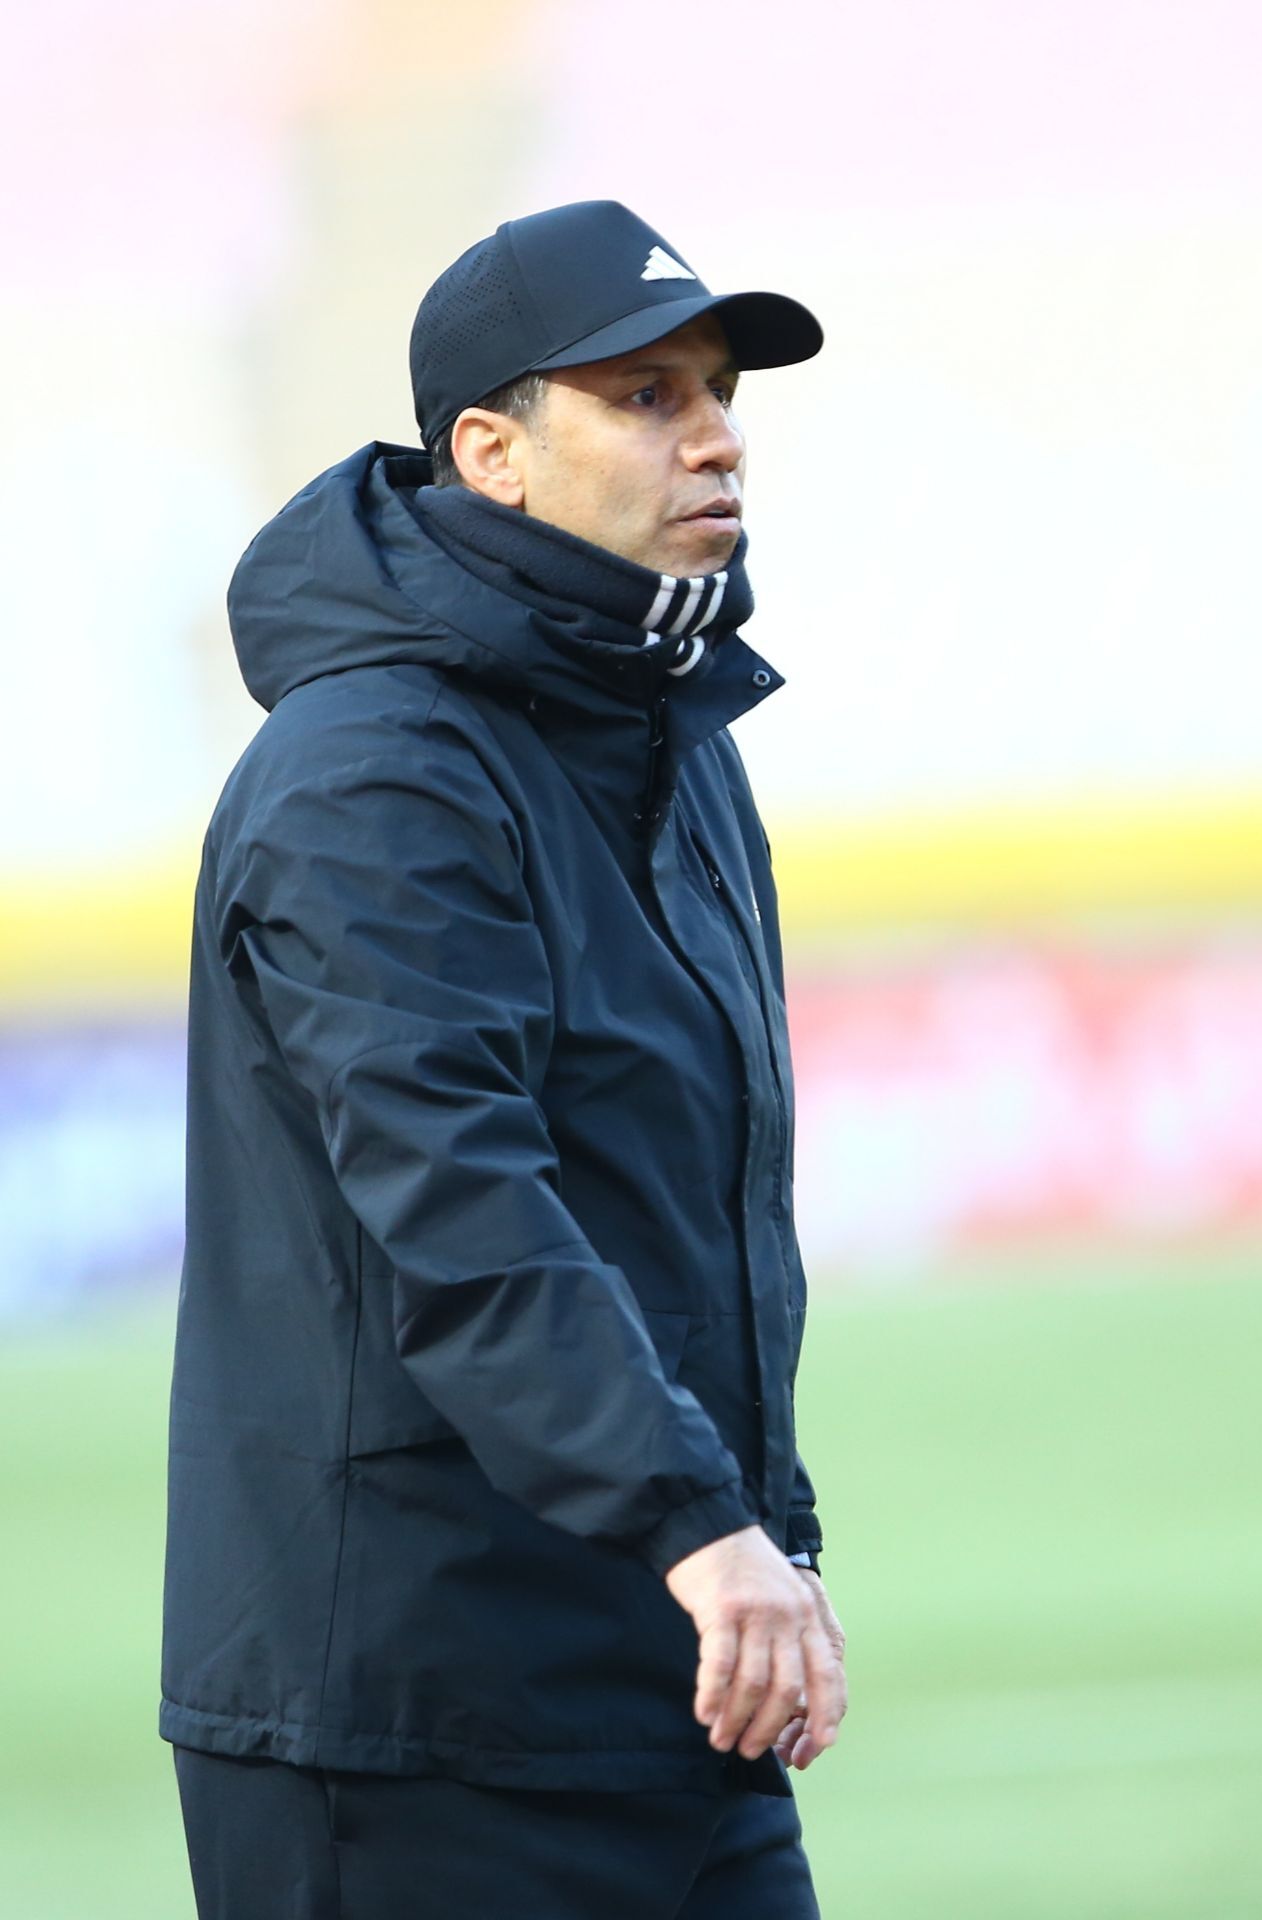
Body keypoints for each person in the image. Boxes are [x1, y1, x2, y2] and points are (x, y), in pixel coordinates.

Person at [161, 199, 847, 1918]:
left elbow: (696, 1216)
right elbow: (465, 1215)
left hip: (675, 1683)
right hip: (414, 1726)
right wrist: (703, 1526)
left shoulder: (672, 733)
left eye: (719, 389)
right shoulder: (370, 773)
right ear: (492, 452)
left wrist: (764, 1531)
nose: (717, 435)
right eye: (646, 395)